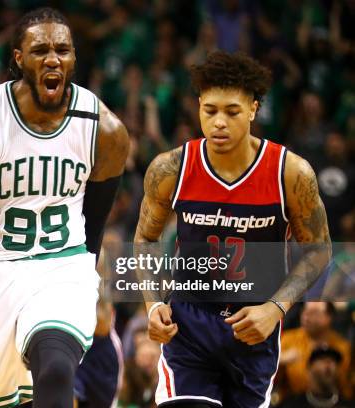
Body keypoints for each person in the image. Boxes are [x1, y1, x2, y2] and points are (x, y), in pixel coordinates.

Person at [0, 7, 129, 408]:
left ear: (74, 59)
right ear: (18, 59)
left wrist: (86, 280)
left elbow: (94, 222)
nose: (53, 59)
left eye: (63, 50)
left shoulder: (106, 130)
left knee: (56, 368)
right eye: (40, 50)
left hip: (61, 264)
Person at [135, 50, 332, 408]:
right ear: (198, 106)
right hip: (189, 326)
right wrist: (151, 306)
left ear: (254, 109)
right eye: (210, 111)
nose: (219, 122)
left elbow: (319, 249)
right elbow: (145, 239)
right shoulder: (171, 169)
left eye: (232, 111)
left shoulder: (290, 173)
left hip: (254, 330)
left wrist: (275, 309)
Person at [279, 302, 352, 399]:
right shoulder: (288, 339)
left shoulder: (342, 347)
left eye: (314, 313)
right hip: (293, 400)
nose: (306, 317)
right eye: (304, 311)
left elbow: (345, 386)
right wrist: (280, 359)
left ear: (328, 317)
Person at [277, 346, 355, 408]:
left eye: (333, 360)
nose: (328, 364)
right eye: (322, 359)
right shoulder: (292, 404)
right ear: (309, 368)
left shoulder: (347, 405)